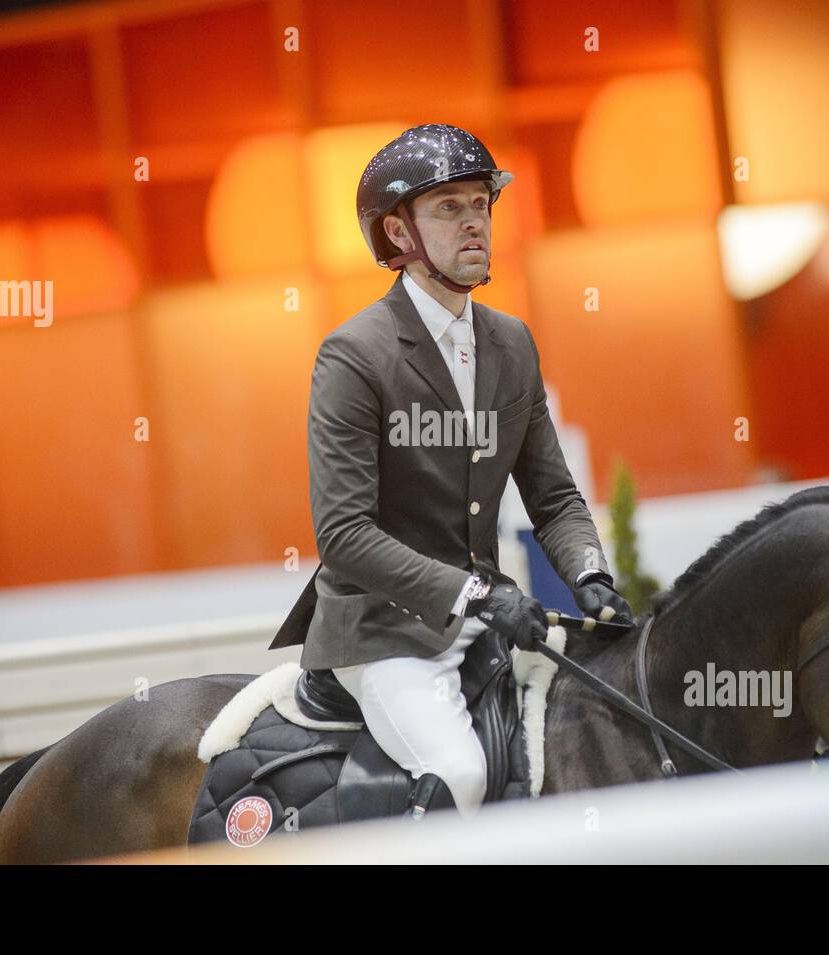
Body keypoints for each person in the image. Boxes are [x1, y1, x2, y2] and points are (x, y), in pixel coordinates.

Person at [271, 123, 632, 819]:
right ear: (399, 235)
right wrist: (473, 593)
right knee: (459, 771)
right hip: (382, 631)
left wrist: (592, 577)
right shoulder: (353, 355)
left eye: (480, 204)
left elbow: (553, 498)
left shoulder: (511, 342)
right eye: (449, 207)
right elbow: (344, 534)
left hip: (485, 616)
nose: (474, 223)